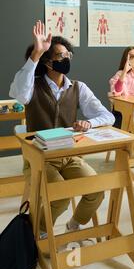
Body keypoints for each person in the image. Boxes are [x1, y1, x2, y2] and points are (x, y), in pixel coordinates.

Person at [9, 20, 115, 243]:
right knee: (60, 196)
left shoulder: (78, 87)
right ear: (47, 62)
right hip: (39, 159)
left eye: (68, 55)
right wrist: (36, 54)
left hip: (68, 155)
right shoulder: (32, 85)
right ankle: (39, 231)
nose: (66, 59)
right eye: (60, 56)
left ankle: (74, 225)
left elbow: (109, 116)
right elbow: (18, 94)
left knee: (96, 190)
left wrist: (89, 123)